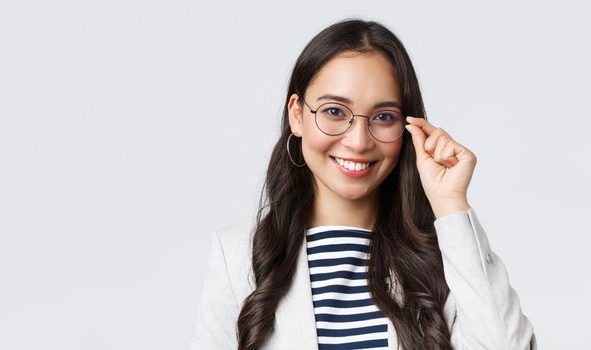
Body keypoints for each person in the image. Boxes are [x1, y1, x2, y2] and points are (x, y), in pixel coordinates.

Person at [190, 19, 537, 350]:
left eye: (384, 117)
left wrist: (450, 202)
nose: (358, 141)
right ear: (297, 115)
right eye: (334, 111)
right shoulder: (238, 257)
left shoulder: (446, 255)